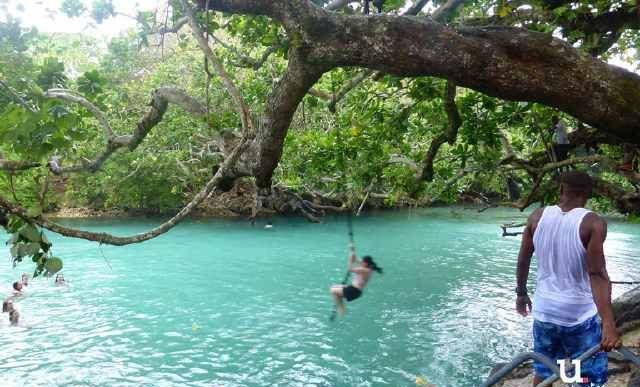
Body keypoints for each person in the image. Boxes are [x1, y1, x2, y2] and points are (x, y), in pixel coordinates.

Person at [515, 171, 620, 386]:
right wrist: (609, 324)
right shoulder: (593, 223)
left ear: (561, 189)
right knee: (588, 377)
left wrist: (521, 293)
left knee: (545, 372)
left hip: (545, 313)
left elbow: (523, 260)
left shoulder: (537, 216)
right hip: (579, 317)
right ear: (587, 194)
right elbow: (597, 274)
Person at [330, 243, 382, 316]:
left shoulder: (364, 270)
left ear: (366, 263)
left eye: (362, 262)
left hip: (353, 291)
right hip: (355, 290)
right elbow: (355, 259)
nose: (361, 262)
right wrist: (352, 250)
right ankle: (341, 307)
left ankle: (341, 309)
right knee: (334, 287)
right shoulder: (369, 268)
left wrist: (350, 258)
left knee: (332, 290)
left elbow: (350, 269)